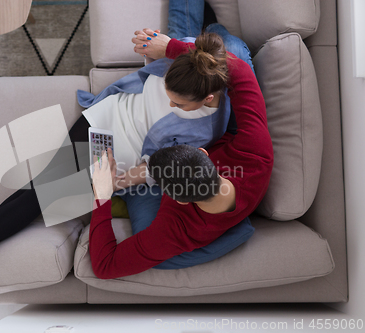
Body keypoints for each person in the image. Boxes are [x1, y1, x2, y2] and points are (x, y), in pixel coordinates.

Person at [0, 0, 254, 302]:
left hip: (124, 153)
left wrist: (125, 178)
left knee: (45, 193)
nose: (170, 100)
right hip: (104, 118)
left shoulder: (206, 128)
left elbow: (167, 164)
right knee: (43, 189)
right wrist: (158, 49)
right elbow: (170, 59)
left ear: (208, 98)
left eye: (178, 103)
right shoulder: (188, 60)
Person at [89, 35, 273, 277]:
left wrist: (101, 197)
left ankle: (238, 233)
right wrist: (169, 47)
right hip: (229, 154)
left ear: (176, 199)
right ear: (202, 153)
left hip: (195, 229)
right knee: (232, 48)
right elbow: (236, 67)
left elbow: (105, 267)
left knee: (159, 257)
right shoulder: (255, 151)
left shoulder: (176, 228)